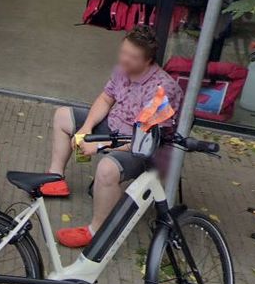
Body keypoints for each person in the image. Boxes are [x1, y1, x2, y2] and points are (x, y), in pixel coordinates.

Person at [48, 25, 182, 248]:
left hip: (142, 148)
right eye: (123, 52)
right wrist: (87, 128)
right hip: (115, 128)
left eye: (132, 57)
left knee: (107, 169)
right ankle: (54, 178)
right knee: (63, 116)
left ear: (148, 60)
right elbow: (106, 99)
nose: (124, 60)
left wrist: (99, 146)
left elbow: (142, 139)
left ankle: (98, 231)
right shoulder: (122, 69)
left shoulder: (163, 90)